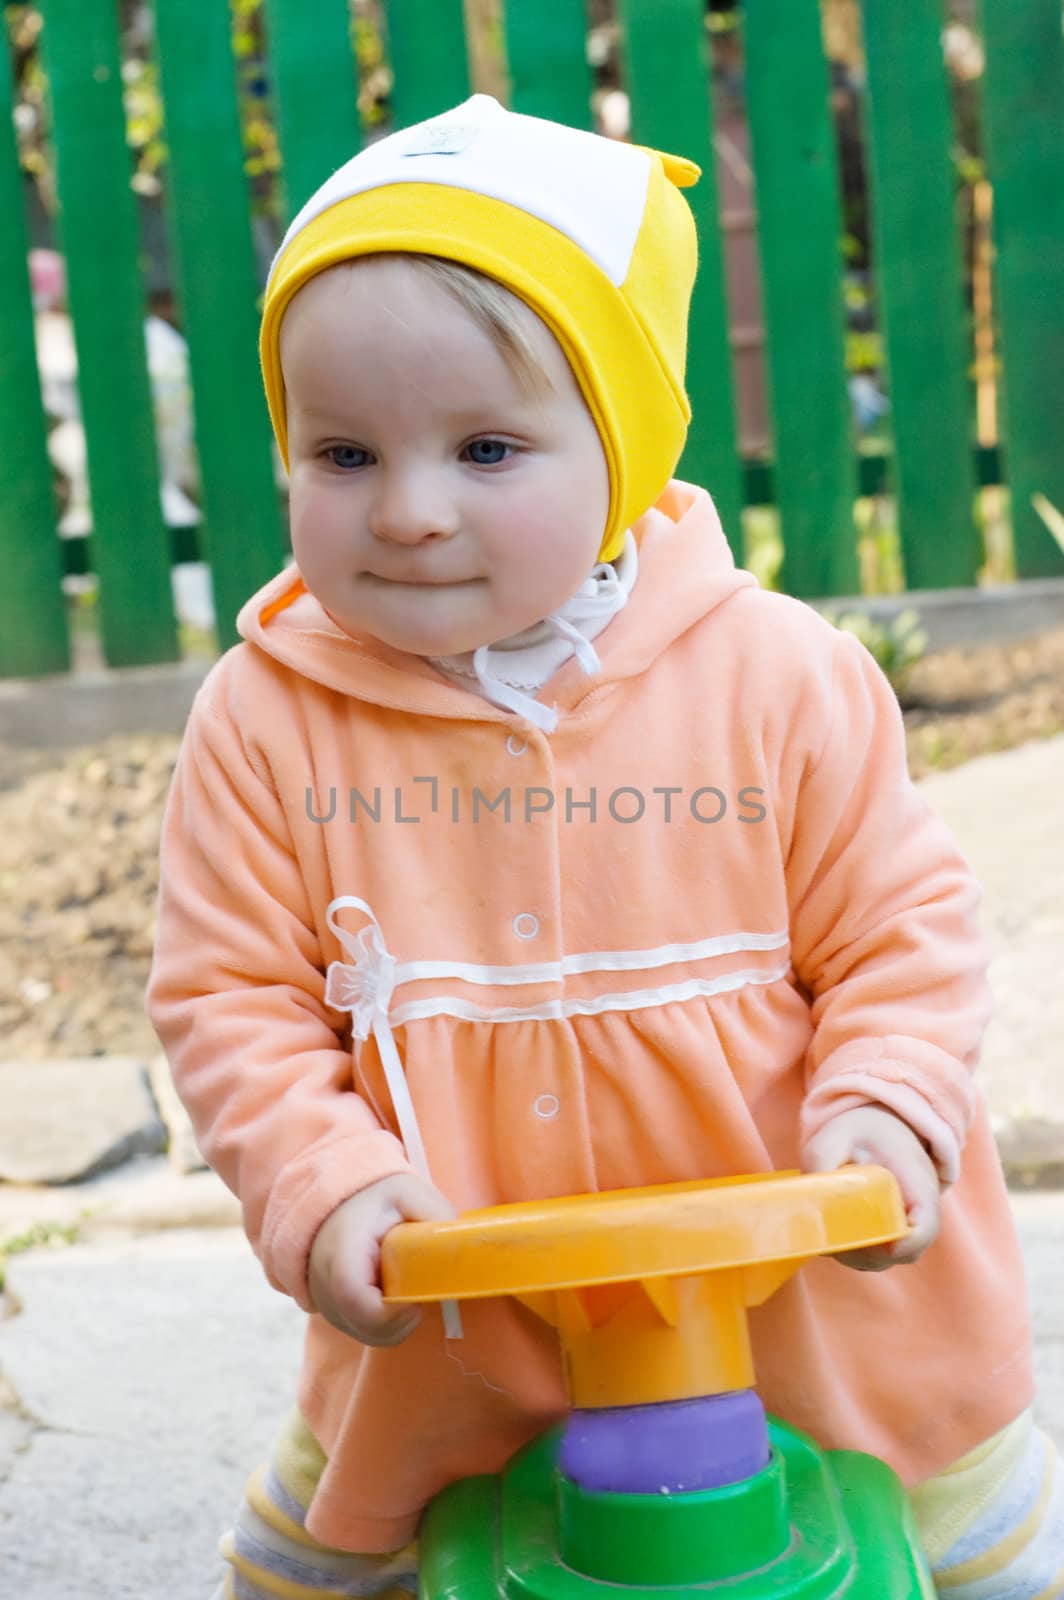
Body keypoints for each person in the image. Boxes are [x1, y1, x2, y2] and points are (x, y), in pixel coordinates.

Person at [145, 95, 1060, 1600]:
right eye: (345, 453)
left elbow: (904, 931)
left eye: (489, 447)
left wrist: (889, 1110)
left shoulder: (779, 677)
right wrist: (323, 1182)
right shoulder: (266, 721)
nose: (414, 511)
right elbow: (231, 997)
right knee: (312, 1566)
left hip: (805, 1299)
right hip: (454, 1314)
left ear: (625, 447)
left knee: (971, 1542)